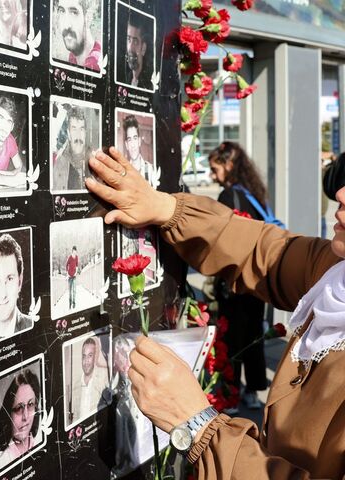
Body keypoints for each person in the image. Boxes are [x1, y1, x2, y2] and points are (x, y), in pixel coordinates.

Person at [86, 146, 345, 479]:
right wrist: (166, 209)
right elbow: (263, 250)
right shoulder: (335, 271)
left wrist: (199, 425)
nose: (339, 193)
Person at [208, 141, 268, 411]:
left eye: (215, 168)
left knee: (231, 340)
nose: (212, 175)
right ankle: (253, 393)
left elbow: (223, 242)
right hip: (257, 279)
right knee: (254, 335)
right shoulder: (254, 194)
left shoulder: (228, 196)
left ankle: (230, 395)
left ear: (228, 165)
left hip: (234, 281)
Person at [0, 369, 40, 473]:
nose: (26, 416)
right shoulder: (0, 466)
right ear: (8, 414)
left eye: (30, 405)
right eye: (19, 408)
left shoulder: (42, 446)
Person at [53, 106, 92, 191]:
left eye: (81, 129)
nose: (78, 135)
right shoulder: (59, 163)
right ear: (68, 133)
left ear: (85, 133)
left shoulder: (95, 161)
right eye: (74, 129)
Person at [55, 0, 102, 72]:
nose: (66, 25)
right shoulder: (73, 57)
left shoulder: (95, 63)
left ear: (88, 17)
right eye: (62, 11)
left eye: (74, 13)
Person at [76, 337, 108, 419]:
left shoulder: (103, 380)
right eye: (84, 356)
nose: (86, 361)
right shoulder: (76, 386)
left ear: (95, 357)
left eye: (90, 356)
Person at [124, 11, 152, 90]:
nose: (130, 47)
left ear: (143, 48)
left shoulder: (149, 84)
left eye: (135, 41)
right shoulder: (126, 79)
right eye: (129, 39)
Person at [122, 114, 152, 183]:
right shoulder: (124, 171)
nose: (132, 145)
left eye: (135, 138)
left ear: (139, 141)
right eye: (129, 140)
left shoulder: (150, 169)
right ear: (126, 145)